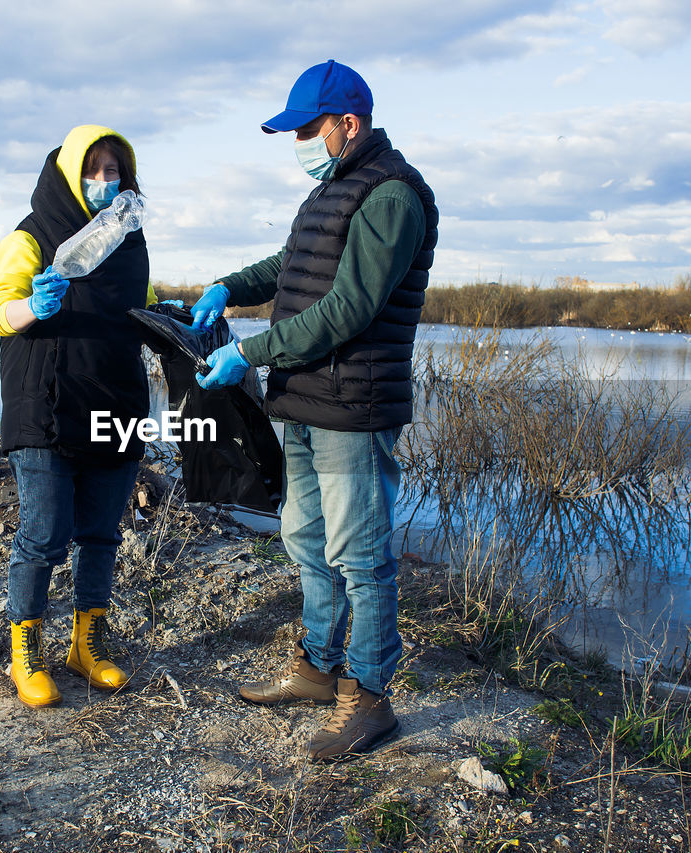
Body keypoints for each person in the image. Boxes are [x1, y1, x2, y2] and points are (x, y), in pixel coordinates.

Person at [192, 60, 438, 761]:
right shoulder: (335, 190)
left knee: (360, 555)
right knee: (305, 537)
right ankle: (317, 668)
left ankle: (370, 697)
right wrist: (225, 287)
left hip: (352, 406)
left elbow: (350, 308)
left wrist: (255, 351)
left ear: (348, 124)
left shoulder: (392, 196)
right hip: (304, 401)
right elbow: (289, 264)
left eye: (307, 127)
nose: (298, 139)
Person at [0, 124, 156, 708]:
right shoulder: (31, 236)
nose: (104, 183)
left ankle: (87, 648)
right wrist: (31, 307)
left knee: (102, 535)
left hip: (117, 404)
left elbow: (144, 307)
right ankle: (25, 655)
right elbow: (0, 310)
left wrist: (180, 321)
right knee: (43, 534)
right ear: (68, 173)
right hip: (48, 407)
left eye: (114, 173)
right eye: (93, 171)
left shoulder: (127, 242)